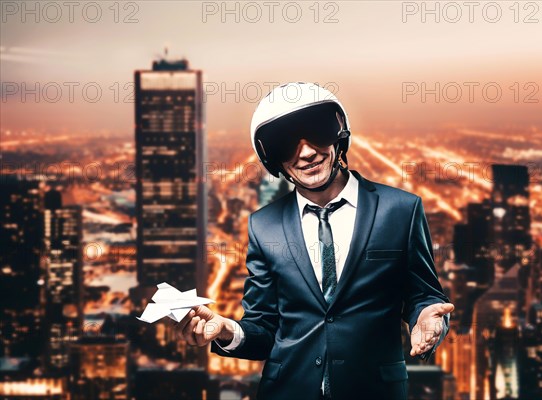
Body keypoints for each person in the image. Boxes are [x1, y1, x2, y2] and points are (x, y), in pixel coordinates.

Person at [175, 82, 454, 400]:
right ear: (273, 160)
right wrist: (225, 330)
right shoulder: (263, 226)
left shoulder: (401, 209)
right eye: (286, 144)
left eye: (317, 134)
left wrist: (430, 316)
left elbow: (424, 295)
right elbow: (265, 327)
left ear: (339, 137)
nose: (306, 152)